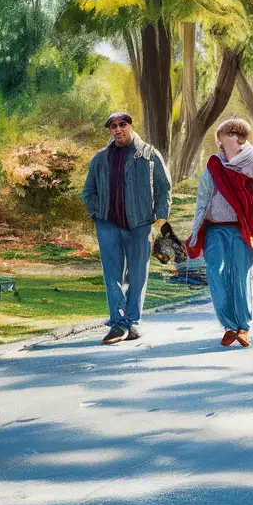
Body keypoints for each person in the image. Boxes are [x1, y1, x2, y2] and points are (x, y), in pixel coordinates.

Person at [185, 119, 253, 348]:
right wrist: (195, 231)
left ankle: (243, 327)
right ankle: (228, 325)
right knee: (214, 271)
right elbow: (203, 199)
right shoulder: (214, 165)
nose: (237, 139)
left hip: (241, 228)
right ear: (221, 139)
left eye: (241, 134)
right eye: (231, 134)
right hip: (214, 227)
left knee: (240, 275)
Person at [81, 112, 172, 345]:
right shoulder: (100, 158)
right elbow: (88, 191)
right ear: (109, 130)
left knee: (137, 275)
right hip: (108, 224)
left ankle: (132, 322)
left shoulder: (149, 154)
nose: (118, 129)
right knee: (112, 276)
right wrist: (97, 214)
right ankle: (119, 322)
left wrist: (160, 219)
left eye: (122, 124)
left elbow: (164, 188)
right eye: (113, 126)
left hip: (139, 224)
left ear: (130, 126)